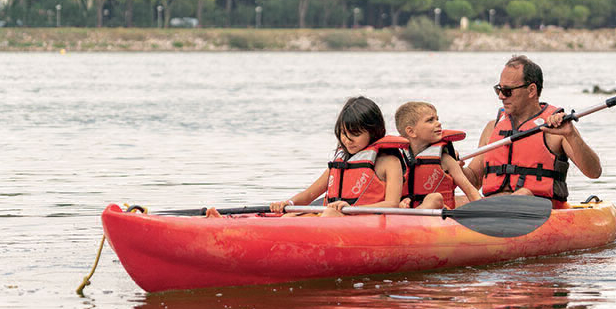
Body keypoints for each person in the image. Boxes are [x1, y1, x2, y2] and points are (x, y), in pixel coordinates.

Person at [206, 96, 405, 218]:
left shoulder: (388, 161)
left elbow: (392, 204)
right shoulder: (342, 163)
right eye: (343, 133)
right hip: (333, 215)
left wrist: (350, 208)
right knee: (290, 218)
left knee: (329, 214)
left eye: (355, 134)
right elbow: (310, 195)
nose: (347, 140)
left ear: (374, 131)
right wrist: (288, 204)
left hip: (363, 220)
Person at [462, 55, 601, 207]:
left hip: (539, 213)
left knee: (524, 194)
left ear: (531, 90)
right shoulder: (492, 128)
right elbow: (474, 180)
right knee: (447, 200)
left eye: (507, 91)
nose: (501, 96)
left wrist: (571, 135)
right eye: (499, 89)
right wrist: (450, 165)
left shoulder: (556, 129)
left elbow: (594, 172)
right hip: (494, 208)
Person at [394, 101, 482, 210]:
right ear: (411, 131)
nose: (438, 123)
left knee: (434, 199)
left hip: (441, 218)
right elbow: (390, 198)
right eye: (430, 120)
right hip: (406, 219)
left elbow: (471, 192)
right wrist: (401, 204)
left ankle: (414, 215)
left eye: (437, 119)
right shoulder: (396, 161)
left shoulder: (446, 160)